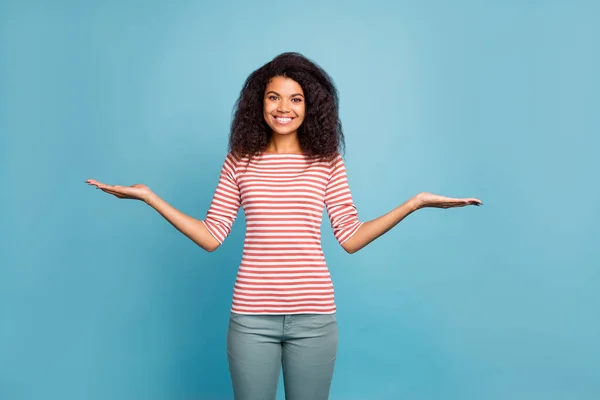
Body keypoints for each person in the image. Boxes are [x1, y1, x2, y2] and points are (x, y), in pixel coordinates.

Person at [86, 52, 482, 400]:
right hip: (251, 318)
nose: (284, 107)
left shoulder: (327, 162)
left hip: (315, 318)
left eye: (296, 99)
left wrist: (415, 203)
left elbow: (350, 236)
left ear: (311, 107)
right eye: (274, 97)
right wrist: (149, 197)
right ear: (258, 103)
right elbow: (211, 236)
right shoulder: (240, 160)